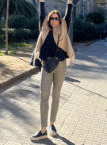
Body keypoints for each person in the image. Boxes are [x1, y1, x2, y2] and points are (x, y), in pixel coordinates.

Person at [30, 8, 75, 141]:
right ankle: (43, 129)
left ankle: (52, 125)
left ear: (60, 21)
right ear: (48, 20)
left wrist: (70, 0)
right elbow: (41, 15)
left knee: (56, 96)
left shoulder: (63, 30)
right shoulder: (44, 30)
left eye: (57, 18)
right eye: (52, 18)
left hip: (60, 66)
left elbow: (68, 15)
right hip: (46, 66)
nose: (54, 21)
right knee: (44, 96)